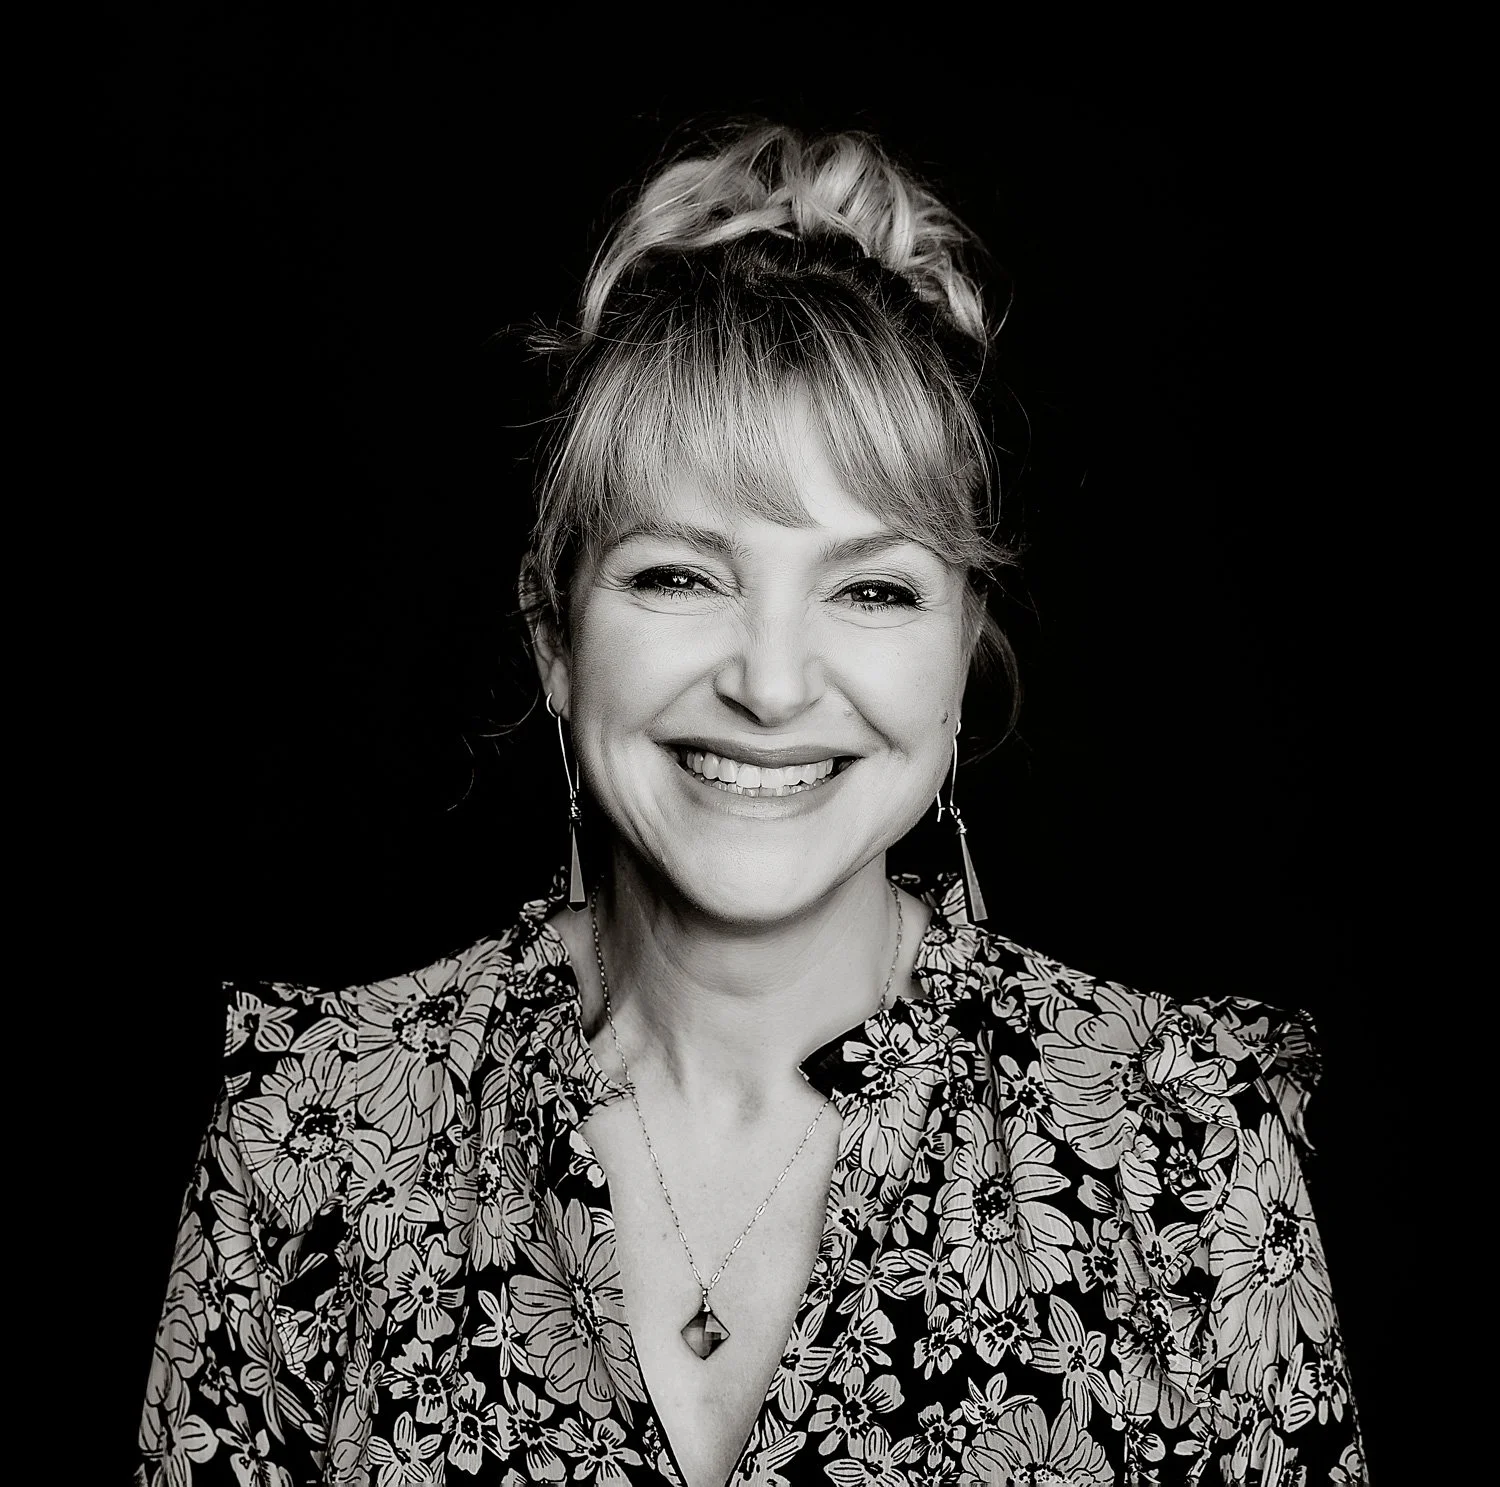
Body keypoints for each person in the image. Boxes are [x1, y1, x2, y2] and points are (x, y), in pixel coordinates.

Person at [137, 123, 1366, 1487]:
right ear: (554, 635)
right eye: (678, 575)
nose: (774, 685)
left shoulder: (1183, 1150)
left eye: (871, 587)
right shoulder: (313, 1137)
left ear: (960, 652)